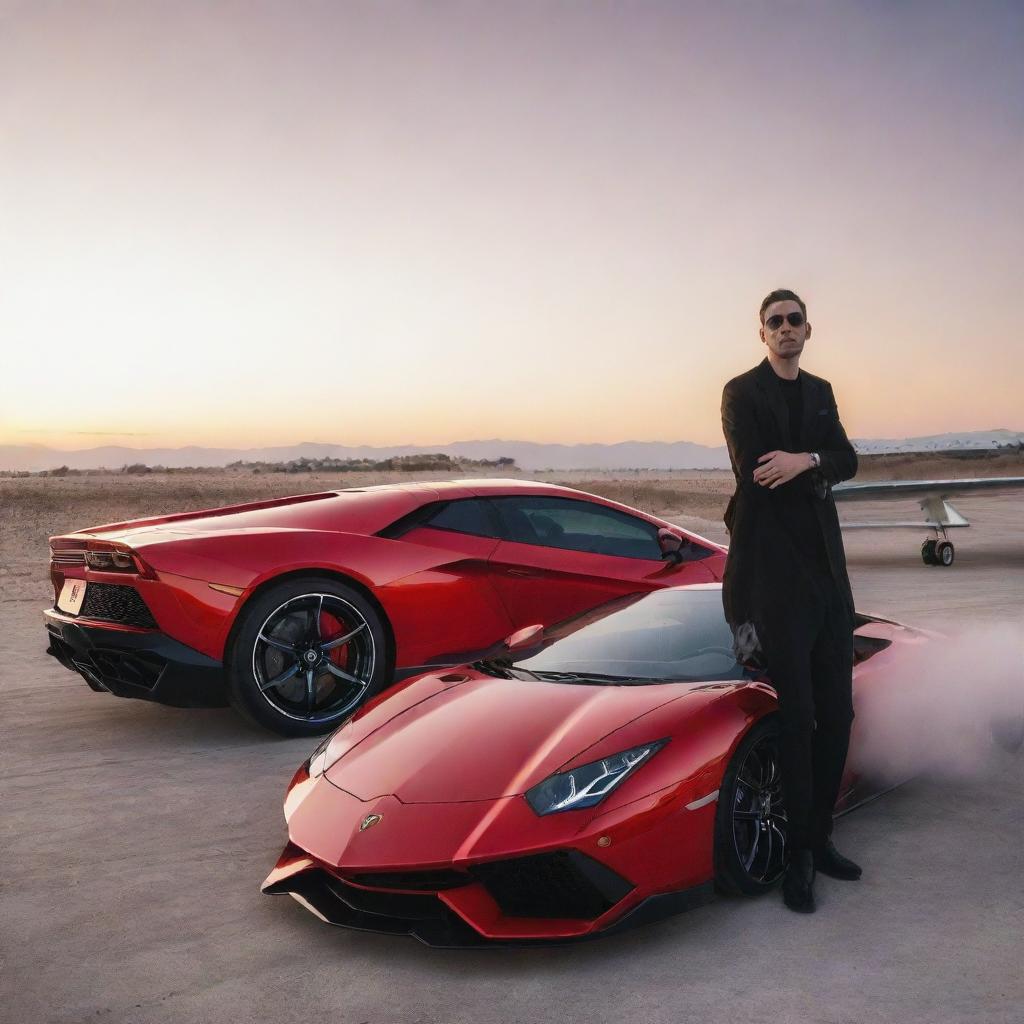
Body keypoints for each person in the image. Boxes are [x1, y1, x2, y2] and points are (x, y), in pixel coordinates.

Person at [720, 288, 862, 914]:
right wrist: (813, 466)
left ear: (808, 330)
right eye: (773, 322)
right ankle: (797, 859)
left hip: (828, 581)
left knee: (839, 717)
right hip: (777, 584)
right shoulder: (741, 392)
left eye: (793, 320)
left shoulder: (822, 392)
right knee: (799, 721)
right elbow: (757, 470)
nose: (784, 329)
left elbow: (847, 460)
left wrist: (807, 459)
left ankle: (820, 837)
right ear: (762, 334)